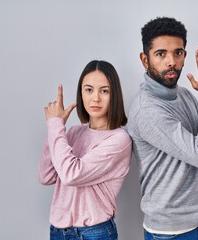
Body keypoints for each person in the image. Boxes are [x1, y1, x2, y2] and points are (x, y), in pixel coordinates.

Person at [127, 17, 198, 239]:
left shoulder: (183, 95)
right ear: (145, 59)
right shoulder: (147, 110)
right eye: (161, 54)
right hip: (172, 232)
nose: (171, 61)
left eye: (178, 53)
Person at [39, 60, 132, 240]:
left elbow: (71, 174)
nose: (95, 98)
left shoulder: (120, 140)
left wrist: (55, 125)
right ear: (81, 93)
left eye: (104, 91)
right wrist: (55, 128)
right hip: (58, 232)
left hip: (94, 233)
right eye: (88, 90)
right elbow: (46, 175)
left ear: (115, 95)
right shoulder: (73, 132)